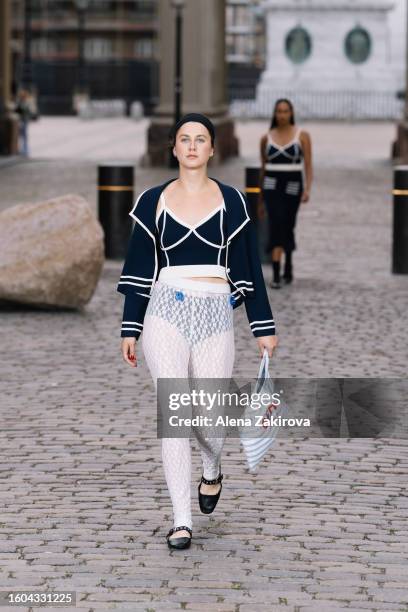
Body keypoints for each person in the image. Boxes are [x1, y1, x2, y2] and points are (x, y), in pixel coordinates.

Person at [117, 113, 279, 550]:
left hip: (214, 311)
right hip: (164, 311)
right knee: (173, 416)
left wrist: (262, 326)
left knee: (209, 418)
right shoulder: (152, 201)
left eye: (200, 139)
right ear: (174, 148)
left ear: (212, 149)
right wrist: (130, 328)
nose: (192, 146)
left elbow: (249, 270)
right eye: (184, 139)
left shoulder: (233, 203)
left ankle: (212, 469)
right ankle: (181, 519)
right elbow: (138, 272)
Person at [258, 98, 313, 288]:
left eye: (285, 111)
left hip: (293, 184)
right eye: (279, 111)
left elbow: (308, 165)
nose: (282, 115)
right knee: (276, 223)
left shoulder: (302, 136)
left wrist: (307, 189)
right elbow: (263, 168)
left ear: (291, 113)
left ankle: (288, 261)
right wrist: (260, 199)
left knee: (288, 223)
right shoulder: (266, 138)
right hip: (272, 185)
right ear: (274, 113)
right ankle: (276, 273)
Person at [15, 88, 33, 157]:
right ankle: (22, 150)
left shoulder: (26, 102)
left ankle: (25, 150)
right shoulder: (19, 102)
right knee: (21, 136)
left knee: (24, 136)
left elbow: (29, 112)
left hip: (24, 121)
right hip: (20, 121)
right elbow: (17, 111)